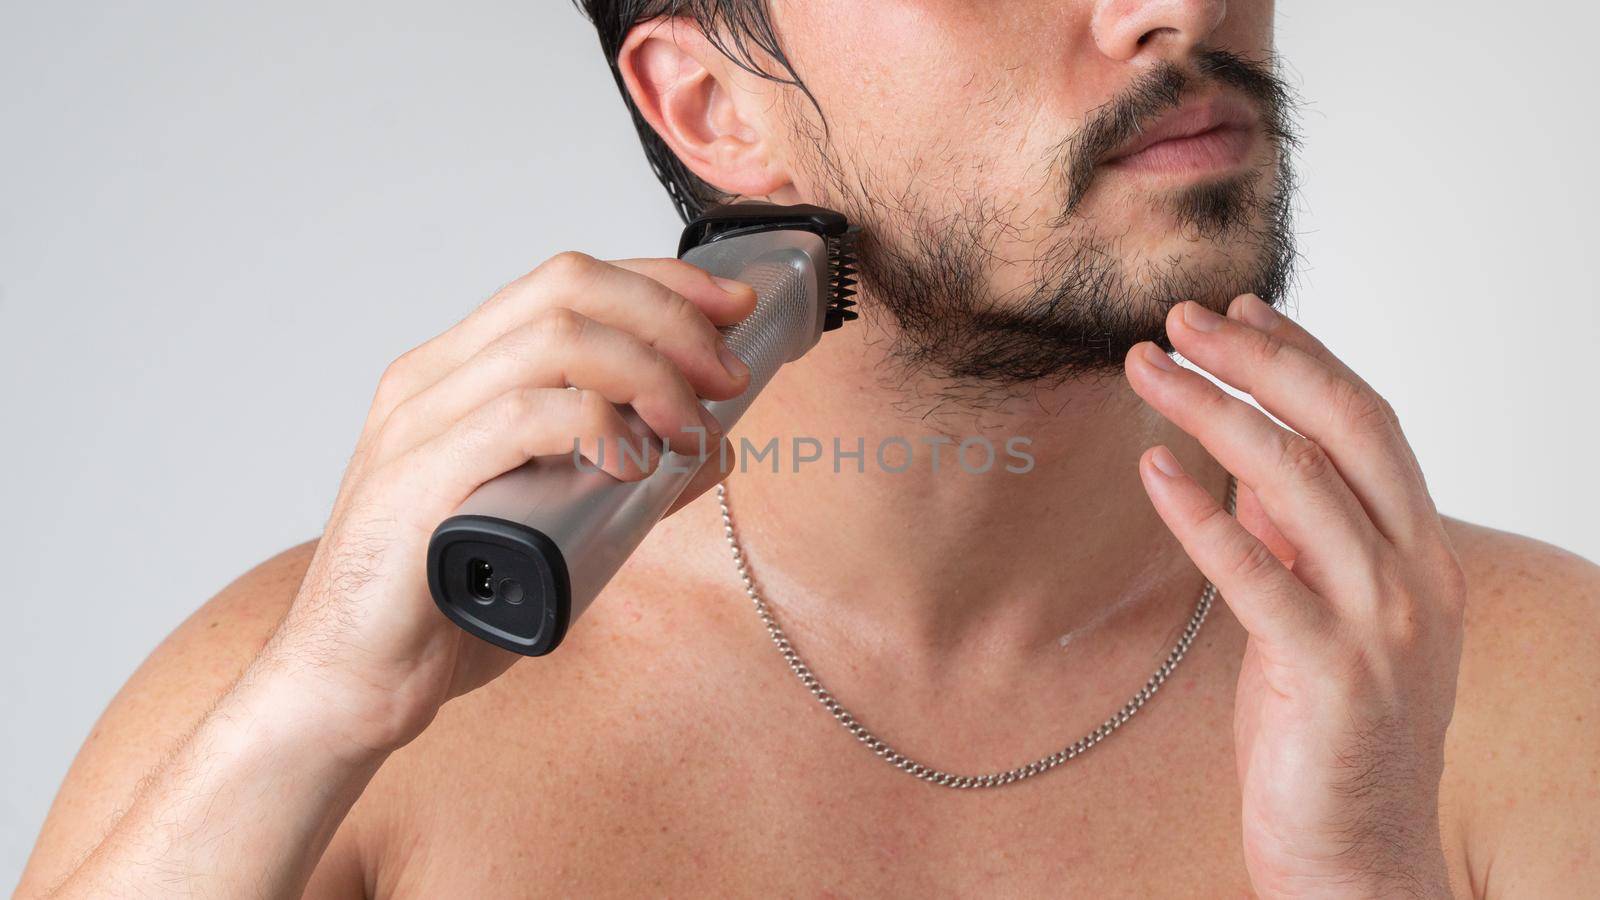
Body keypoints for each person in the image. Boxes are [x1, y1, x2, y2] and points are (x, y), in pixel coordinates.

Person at [17, 1, 1598, 897]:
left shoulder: (1531, 699)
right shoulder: (313, 728)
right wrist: (307, 720)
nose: (1169, 4)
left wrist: (1366, 876)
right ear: (714, 108)